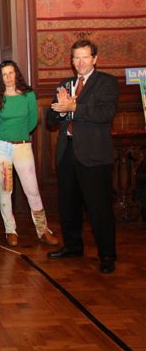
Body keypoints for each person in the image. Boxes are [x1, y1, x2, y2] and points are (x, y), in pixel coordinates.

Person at [47, 39, 118, 274]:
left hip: (94, 155)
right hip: (67, 152)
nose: (80, 62)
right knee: (68, 205)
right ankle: (73, 246)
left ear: (95, 59)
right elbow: (50, 118)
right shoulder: (65, 83)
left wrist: (73, 107)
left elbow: (105, 113)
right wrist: (56, 110)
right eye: (76, 57)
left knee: (99, 209)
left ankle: (107, 255)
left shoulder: (106, 82)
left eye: (85, 57)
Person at [0, 61, 59, 247]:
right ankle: (10, 230)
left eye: (11, 73)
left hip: (22, 146)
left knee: (32, 190)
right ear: (0, 78)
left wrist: (20, 137)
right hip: (1, 146)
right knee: (5, 190)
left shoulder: (28, 95)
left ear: (17, 74)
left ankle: (43, 229)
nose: (8, 77)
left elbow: (32, 122)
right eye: (4, 74)